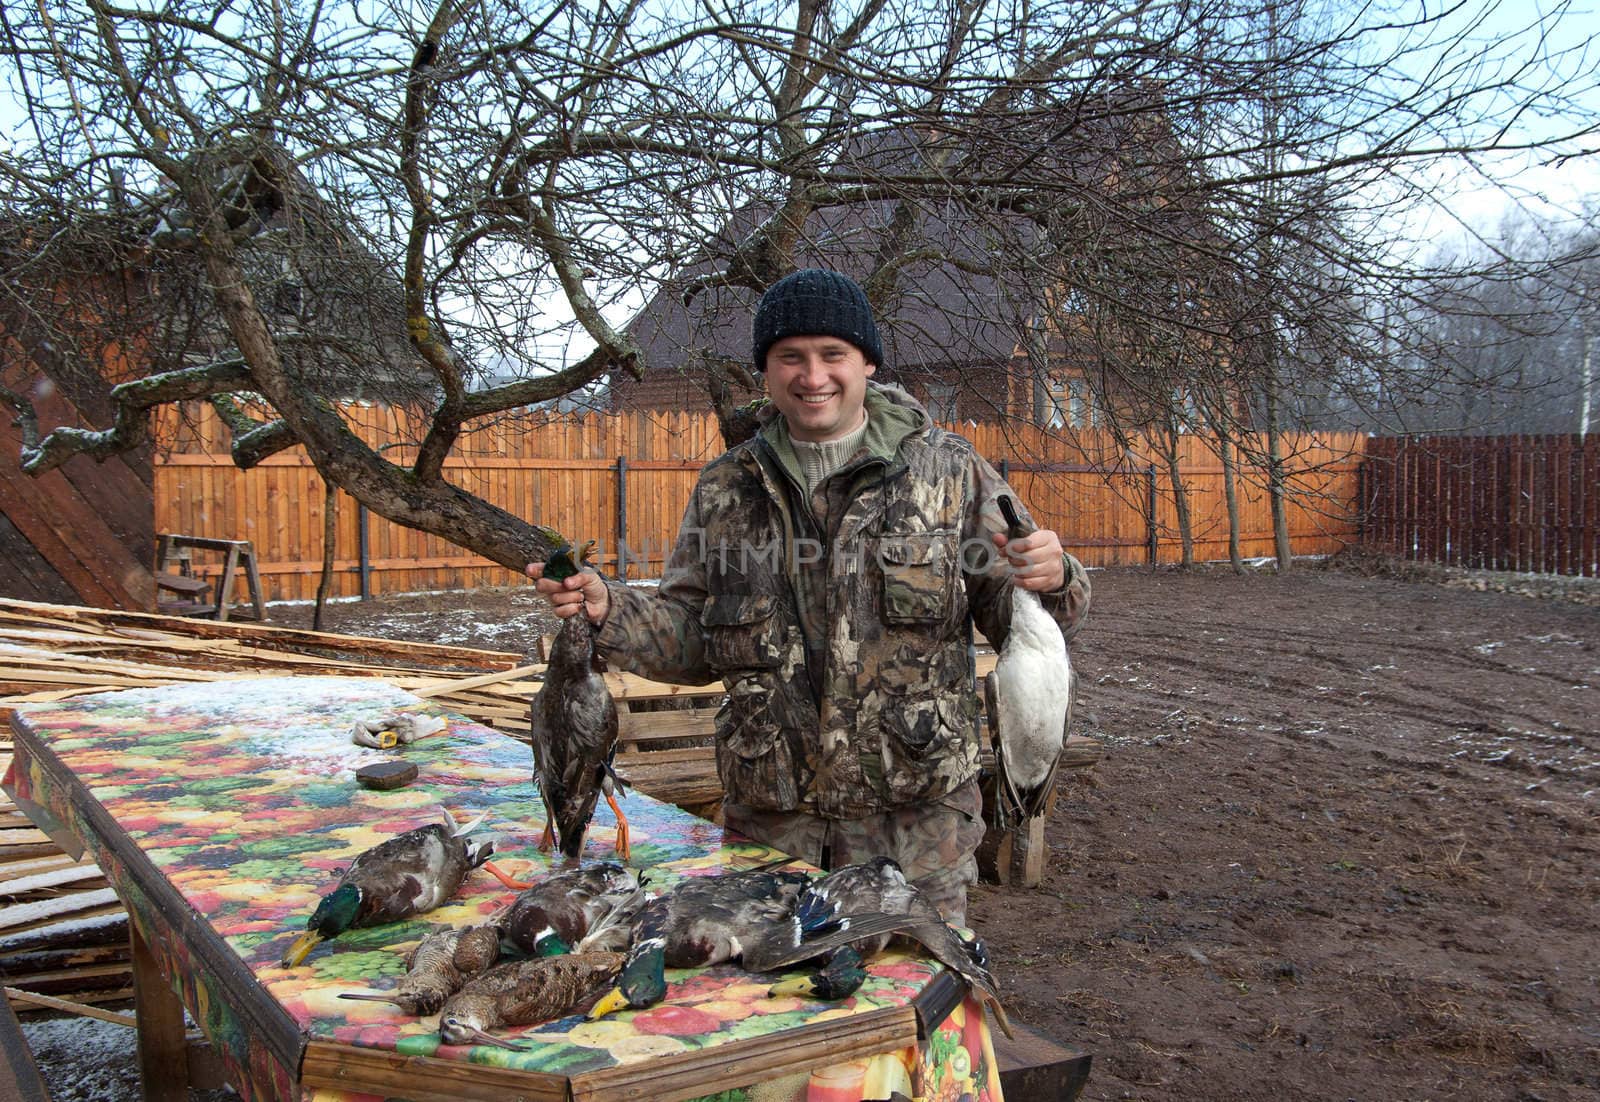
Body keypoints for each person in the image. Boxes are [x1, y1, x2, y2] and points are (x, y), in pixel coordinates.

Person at [529, 268, 1089, 925]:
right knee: (769, 1006)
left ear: (867, 363)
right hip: (773, 826)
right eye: (789, 357)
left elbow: (1027, 621)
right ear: (765, 371)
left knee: (912, 1011)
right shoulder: (727, 488)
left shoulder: (949, 472)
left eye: (833, 355)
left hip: (915, 833)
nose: (812, 375)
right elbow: (692, 635)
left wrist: (1056, 577)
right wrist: (608, 610)